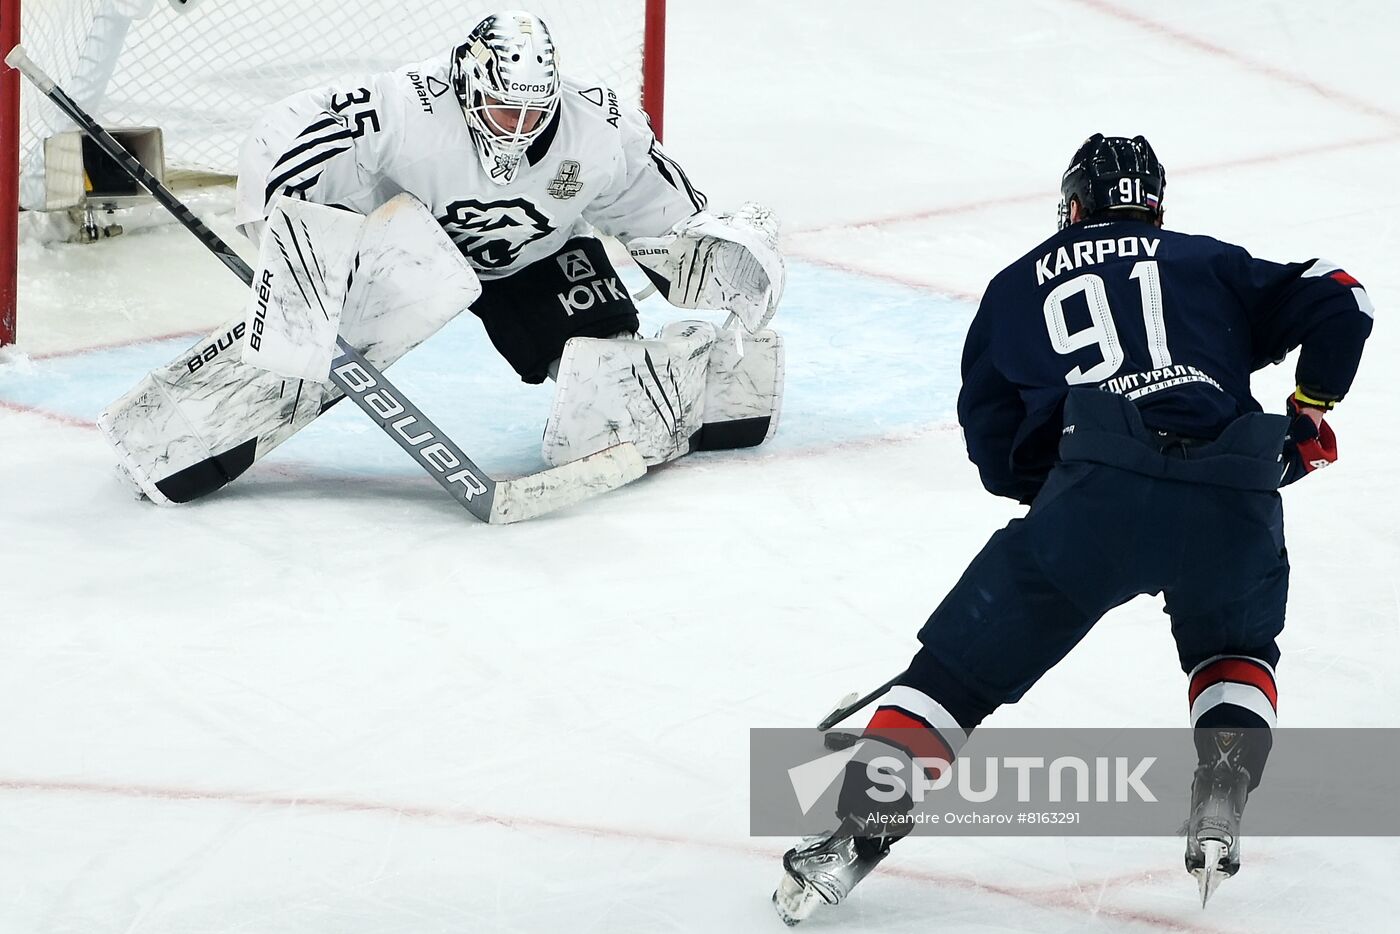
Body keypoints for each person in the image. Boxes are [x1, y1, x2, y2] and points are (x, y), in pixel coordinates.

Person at [771, 134, 1373, 924]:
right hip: (1233, 491)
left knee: (956, 676)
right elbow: (1343, 298)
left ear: (1075, 206)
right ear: (1153, 205)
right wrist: (1309, 411)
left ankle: (854, 833)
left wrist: (1060, 487)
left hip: (1094, 496)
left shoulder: (1017, 284)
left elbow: (992, 443)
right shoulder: (1207, 261)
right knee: (1233, 651)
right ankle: (1223, 786)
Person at [101, 10, 784, 506]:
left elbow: (661, 214)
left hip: (536, 257)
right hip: (409, 256)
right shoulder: (406, 105)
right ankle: (179, 432)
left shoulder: (597, 128)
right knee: (299, 345)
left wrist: (711, 260)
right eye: (500, 109)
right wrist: (295, 245)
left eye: (531, 113)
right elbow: (288, 134)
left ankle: (710, 377)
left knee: (614, 401)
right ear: (465, 81)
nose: (516, 128)